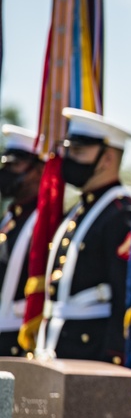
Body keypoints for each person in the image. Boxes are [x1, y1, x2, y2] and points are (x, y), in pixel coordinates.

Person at [32, 108, 131, 363]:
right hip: (57, 344)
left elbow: (123, 293)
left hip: (91, 351)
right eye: (69, 150)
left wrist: (114, 356)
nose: (69, 158)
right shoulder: (78, 211)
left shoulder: (121, 213)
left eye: (78, 152)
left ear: (107, 159)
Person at [0, 125, 44, 356]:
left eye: (15, 165)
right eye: (5, 165)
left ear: (38, 170)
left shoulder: (46, 224)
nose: (7, 172)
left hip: (18, 341)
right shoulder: (9, 219)